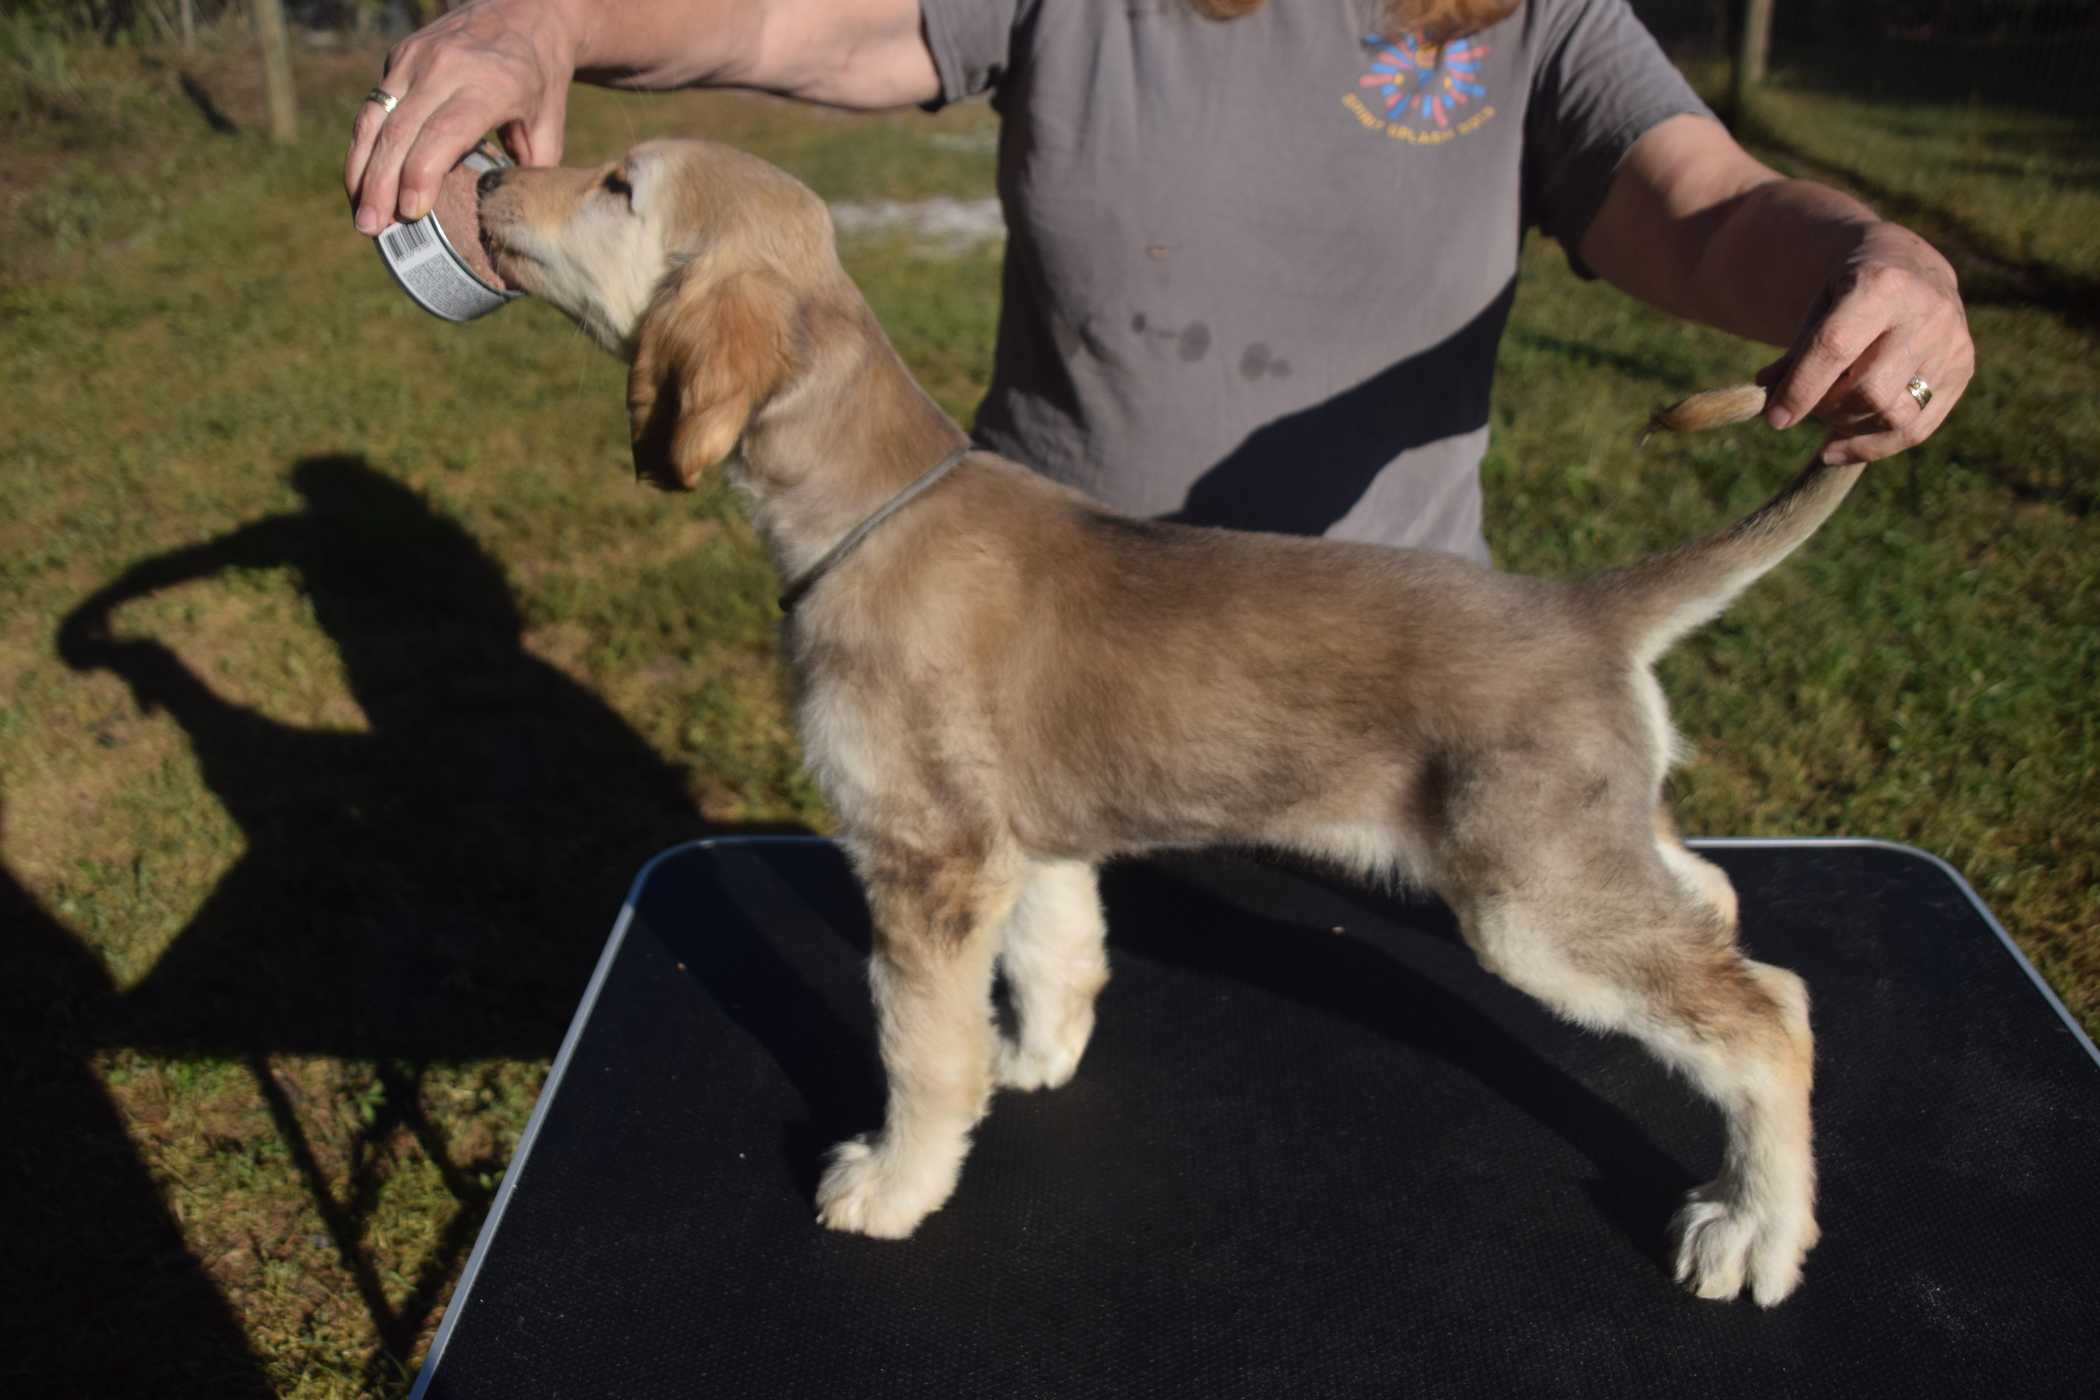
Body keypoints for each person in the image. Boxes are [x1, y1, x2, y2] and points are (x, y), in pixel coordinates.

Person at [343, 0, 1973, 561]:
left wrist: (1875, 263)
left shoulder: (1532, 17)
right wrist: (549, 19)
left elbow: (1709, 213)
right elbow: (792, 22)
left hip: (1381, 694)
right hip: (1030, 658)